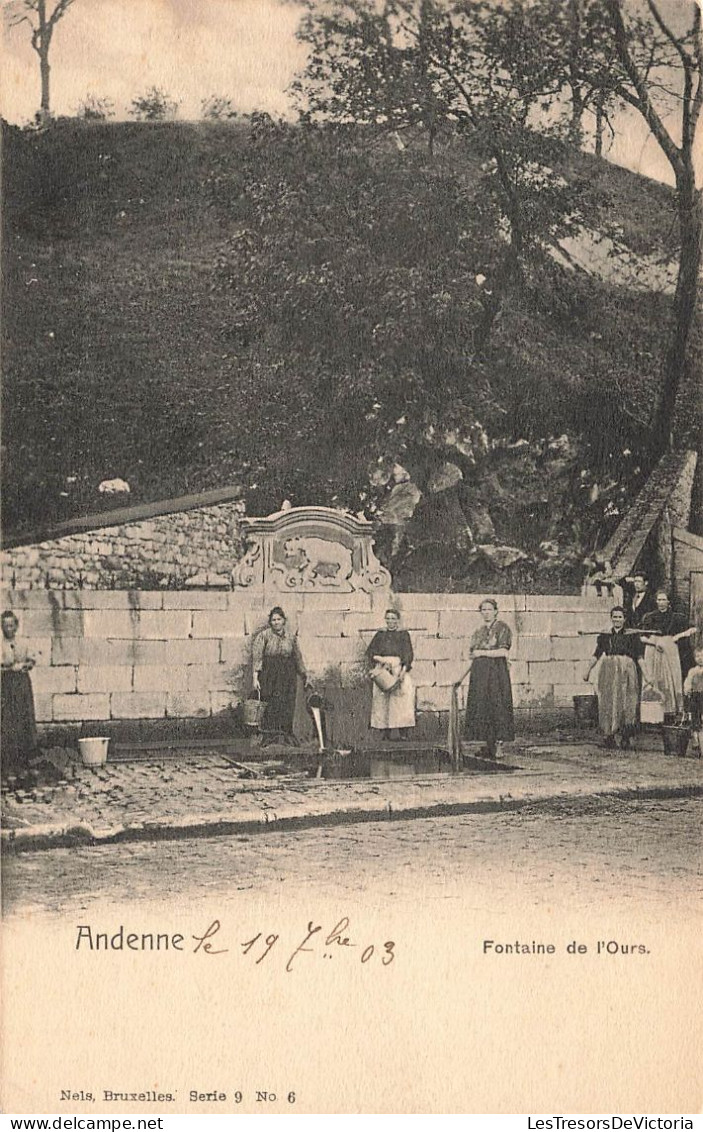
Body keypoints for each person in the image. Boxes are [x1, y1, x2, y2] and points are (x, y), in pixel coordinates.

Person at [454, 598, 514, 760]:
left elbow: (503, 652)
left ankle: (499, 746)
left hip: (496, 673)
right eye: (483, 610)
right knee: (483, 707)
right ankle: (488, 745)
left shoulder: (502, 628)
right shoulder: (478, 632)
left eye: (489, 609)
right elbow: (473, 654)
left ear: (496, 611)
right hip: (480, 674)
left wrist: (483, 653)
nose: (486, 612)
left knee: (498, 706)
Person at [584, 606, 649, 749]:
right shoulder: (605, 635)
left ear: (625, 619)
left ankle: (626, 736)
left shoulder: (633, 636)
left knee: (627, 702)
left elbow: (639, 657)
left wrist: (647, 674)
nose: (617, 620)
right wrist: (588, 670)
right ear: (611, 618)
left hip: (627, 670)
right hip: (608, 670)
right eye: (614, 617)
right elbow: (597, 654)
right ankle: (609, 736)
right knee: (608, 701)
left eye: (620, 617)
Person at [252, 607, 308, 745]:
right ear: (270, 622)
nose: (276, 622)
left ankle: (286, 734)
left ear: (284, 621)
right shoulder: (264, 636)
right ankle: (269, 736)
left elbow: (297, 657)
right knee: (270, 701)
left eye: (279, 619)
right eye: (273, 620)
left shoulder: (291, 637)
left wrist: (304, 674)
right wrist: (255, 678)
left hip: (288, 673)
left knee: (287, 702)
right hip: (270, 672)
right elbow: (257, 657)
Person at [640, 591, 696, 717]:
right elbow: (641, 636)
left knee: (670, 677)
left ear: (669, 602)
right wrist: (654, 643)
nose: (661, 602)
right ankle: (651, 714)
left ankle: (670, 711)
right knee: (653, 678)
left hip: (670, 649)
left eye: (663, 600)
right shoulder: (649, 617)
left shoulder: (677, 617)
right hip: (652, 649)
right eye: (658, 600)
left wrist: (677, 636)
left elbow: (693, 629)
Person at [366, 608, 415, 741]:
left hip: (398, 668)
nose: (390, 621)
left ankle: (403, 731)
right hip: (382, 668)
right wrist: (380, 660)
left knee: (401, 699)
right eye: (388, 618)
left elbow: (408, 654)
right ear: (385, 619)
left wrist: (403, 672)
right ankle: (384, 731)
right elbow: (370, 652)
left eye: (393, 619)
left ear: (398, 620)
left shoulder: (404, 635)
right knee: (382, 700)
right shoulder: (380, 635)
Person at [1, 610, 38, 776]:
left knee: (24, 716)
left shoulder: (23, 643)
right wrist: (9, 668)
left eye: (11, 625)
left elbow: (32, 660)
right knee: (8, 718)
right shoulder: (1, 644)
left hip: (22, 684)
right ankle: (8, 759)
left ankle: (25, 757)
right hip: (6, 685)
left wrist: (25, 665)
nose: (8, 628)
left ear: (16, 626)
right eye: (5, 625)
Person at [683, 646, 703, 756]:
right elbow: (688, 682)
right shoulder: (693, 671)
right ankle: (696, 741)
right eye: (697, 656)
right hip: (696, 697)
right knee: (695, 719)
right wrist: (687, 689)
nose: (700, 658)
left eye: (702, 656)